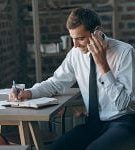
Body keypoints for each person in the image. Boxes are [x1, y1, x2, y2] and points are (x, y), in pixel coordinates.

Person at [9, 7, 135, 150]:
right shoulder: (76, 53)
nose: (75, 45)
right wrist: (28, 92)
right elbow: (56, 82)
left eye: (80, 38)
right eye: (72, 38)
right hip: (92, 125)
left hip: (123, 123)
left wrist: (102, 65)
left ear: (97, 32)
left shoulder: (125, 53)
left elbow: (125, 105)